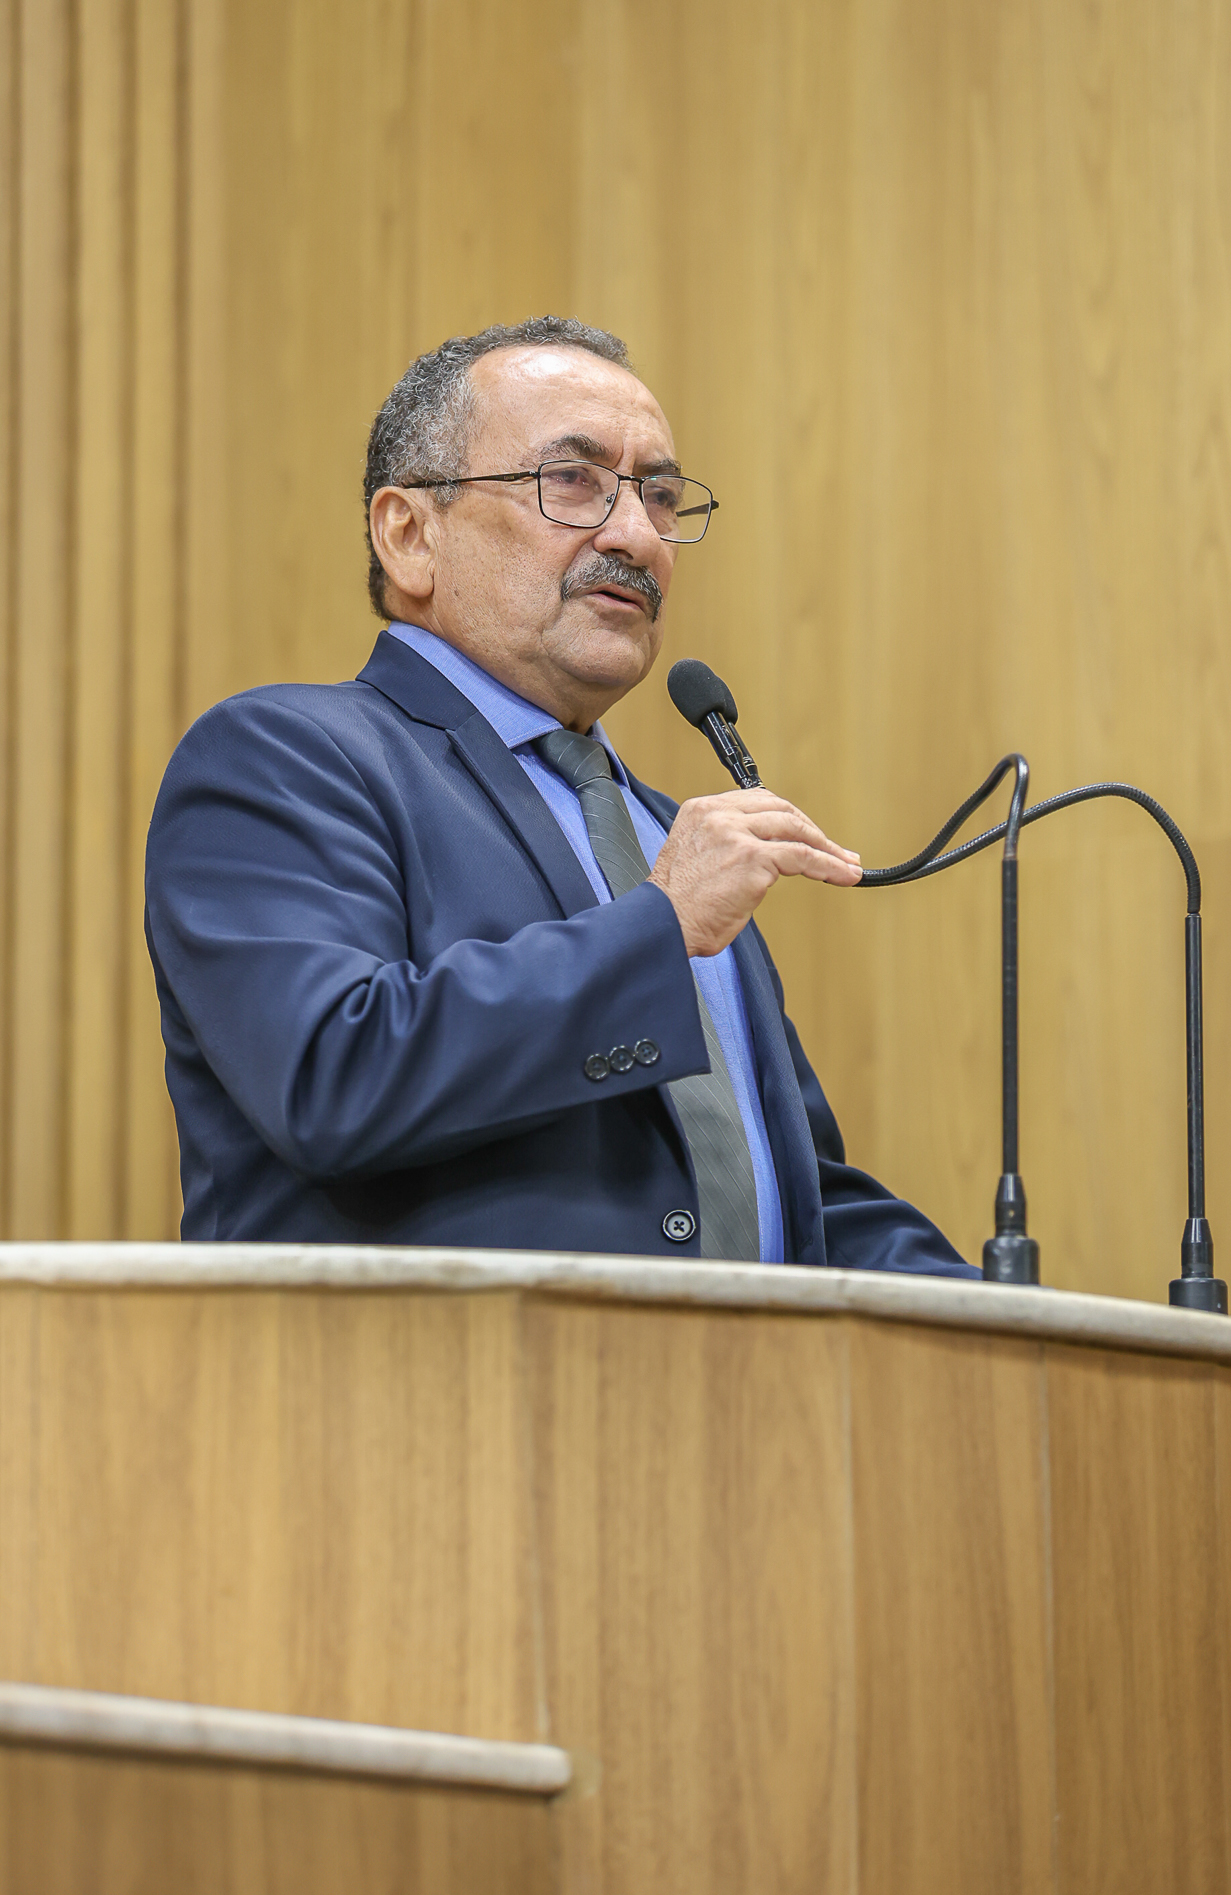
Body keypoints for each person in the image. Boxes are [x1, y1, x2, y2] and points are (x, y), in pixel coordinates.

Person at [145, 315, 974, 1273]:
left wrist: (1009, 1318)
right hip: (431, 1368)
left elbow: (787, 1191)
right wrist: (660, 926)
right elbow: (332, 1077)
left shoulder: (659, 834)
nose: (637, 535)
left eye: (659, 496)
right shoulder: (282, 757)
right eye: (571, 481)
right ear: (409, 534)